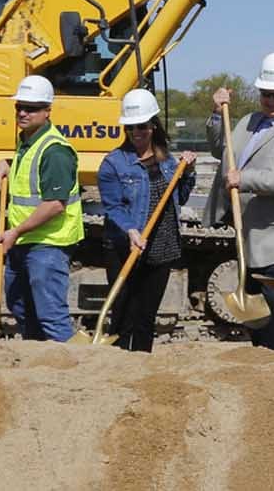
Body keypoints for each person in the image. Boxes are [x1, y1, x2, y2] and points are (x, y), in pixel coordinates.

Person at [207, 52, 274, 350]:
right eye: (266, 95)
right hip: (250, 239)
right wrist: (218, 115)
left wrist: (245, 179)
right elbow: (221, 149)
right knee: (256, 321)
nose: (271, 101)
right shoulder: (247, 122)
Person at [98, 89, 196, 352]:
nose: (136, 133)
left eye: (141, 126)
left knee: (145, 316)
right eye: (131, 128)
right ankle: (117, 363)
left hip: (160, 245)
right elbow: (113, 206)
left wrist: (188, 172)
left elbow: (181, 197)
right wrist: (130, 230)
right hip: (125, 246)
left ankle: (141, 364)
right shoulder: (113, 164)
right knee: (122, 313)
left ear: (153, 125)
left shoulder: (167, 160)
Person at [0, 75, 81, 342]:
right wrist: (7, 162)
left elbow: (55, 204)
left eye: (31, 108)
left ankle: (65, 370)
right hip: (25, 241)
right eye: (19, 106)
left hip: (47, 244)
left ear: (47, 111)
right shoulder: (27, 141)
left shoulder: (55, 150)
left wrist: (15, 231)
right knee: (21, 307)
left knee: (50, 315)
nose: (22, 112)